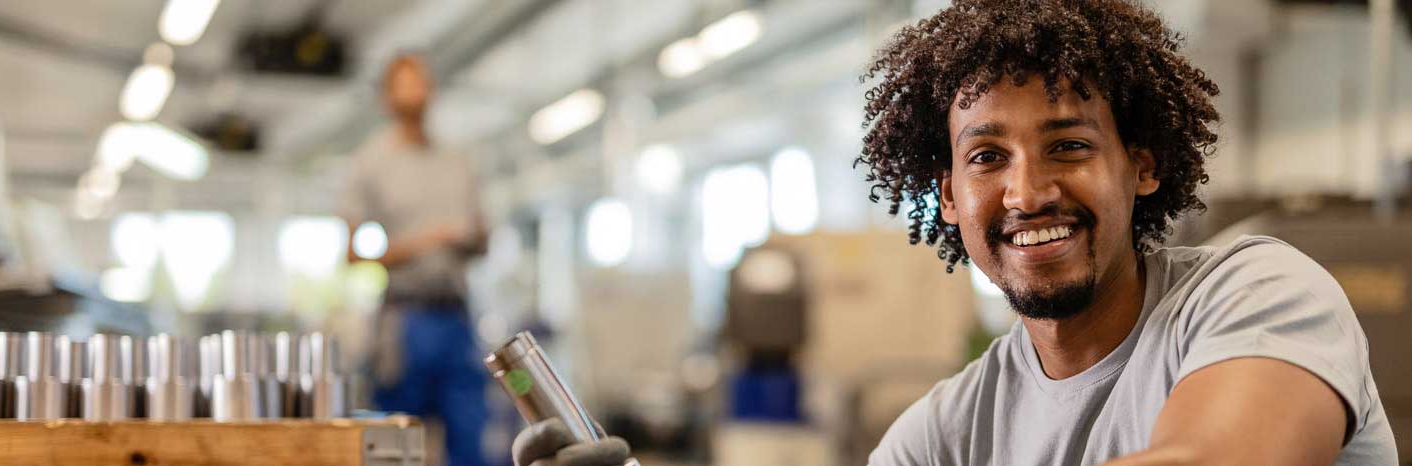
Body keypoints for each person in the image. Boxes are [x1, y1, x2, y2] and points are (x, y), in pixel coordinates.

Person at [510, 1, 1400, 465]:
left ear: (1144, 164)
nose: (1028, 191)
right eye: (986, 157)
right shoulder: (939, 435)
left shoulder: (1260, 291)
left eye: (1069, 145)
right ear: (947, 195)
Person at [338, 54, 491, 466]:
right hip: (403, 322)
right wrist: (424, 241)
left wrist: (469, 236)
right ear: (387, 98)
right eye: (404, 83)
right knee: (395, 447)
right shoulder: (371, 162)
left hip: (457, 319)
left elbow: (483, 241)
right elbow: (352, 254)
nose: (415, 91)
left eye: (421, 81)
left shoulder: (458, 161)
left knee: (470, 438)